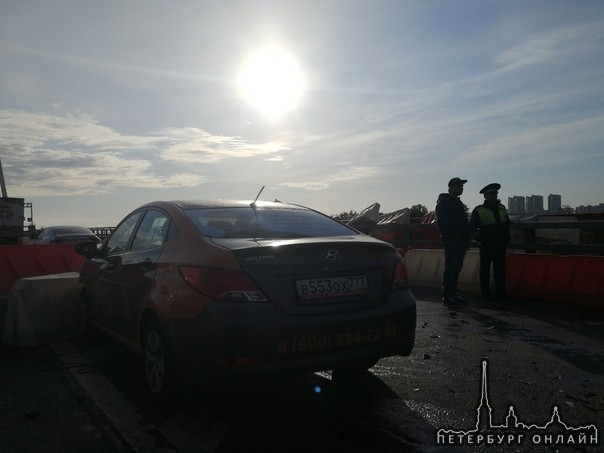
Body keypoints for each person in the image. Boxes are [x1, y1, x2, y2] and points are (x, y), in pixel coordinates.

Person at [470, 183, 511, 304]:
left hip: (500, 244)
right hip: (487, 244)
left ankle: (500, 293)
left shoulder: (502, 208)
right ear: (485, 196)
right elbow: (472, 228)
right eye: (491, 193)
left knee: (500, 269)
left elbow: (507, 224)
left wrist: (506, 237)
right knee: (485, 269)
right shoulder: (479, 210)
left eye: (495, 193)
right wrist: (481, 239)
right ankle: (486, 293)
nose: (494, 195)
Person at [436, 177, 472, 306]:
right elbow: (443, 222)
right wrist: (451, 236)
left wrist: (466, 236)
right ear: (450, 187)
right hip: (451, 240)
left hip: (460, 240)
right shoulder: (445, 202)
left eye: (461, 186)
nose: (461, 188)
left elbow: (462, 222)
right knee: (451, 267)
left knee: (456, 267)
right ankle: (447, 295)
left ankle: (453, 293)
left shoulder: (458, 203)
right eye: (459, 186)